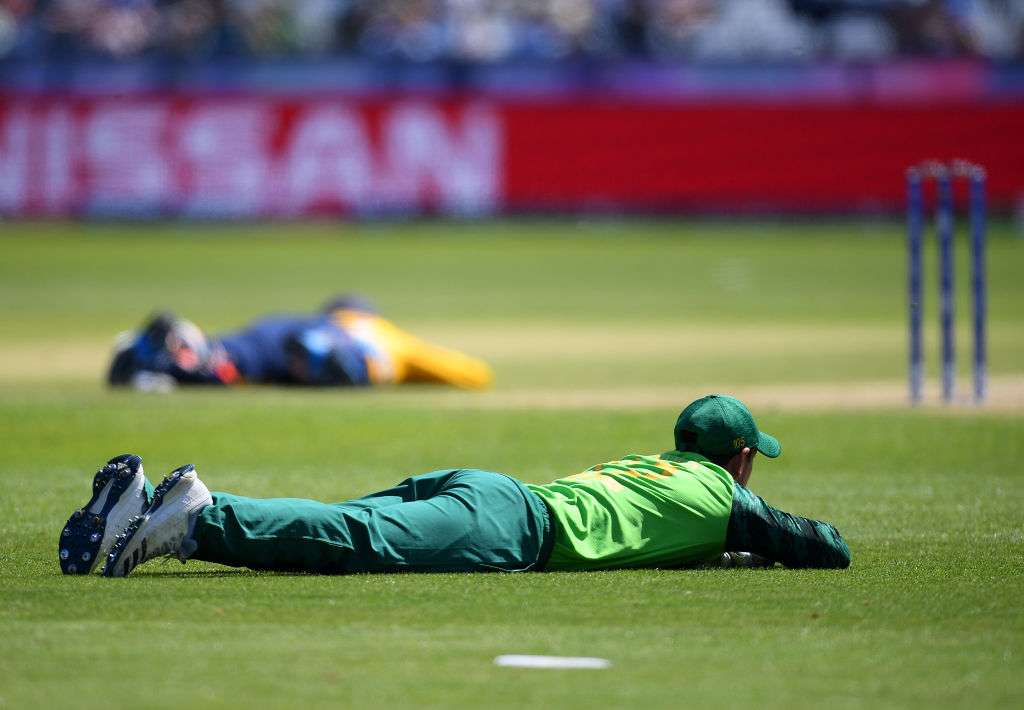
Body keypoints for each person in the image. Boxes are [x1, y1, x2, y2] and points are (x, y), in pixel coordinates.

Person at [57, 394, 851, 577]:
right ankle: (197, 518)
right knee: (353, 542)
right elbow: (821, 546)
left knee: (339, 521)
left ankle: (144, 507)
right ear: (741, 458)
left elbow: (651, 531)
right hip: (516, 529)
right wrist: (749, 541)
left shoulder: (655, 468)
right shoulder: (724, 497)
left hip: (492, 489)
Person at [106, 294, 493, 391]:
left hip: (289, 340)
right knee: (245, 359)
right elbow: (471, 372)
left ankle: (176, 353)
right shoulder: (389, 336)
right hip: (336, 357)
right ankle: (184, 356)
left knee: (247, 352)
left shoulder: (329, 320)